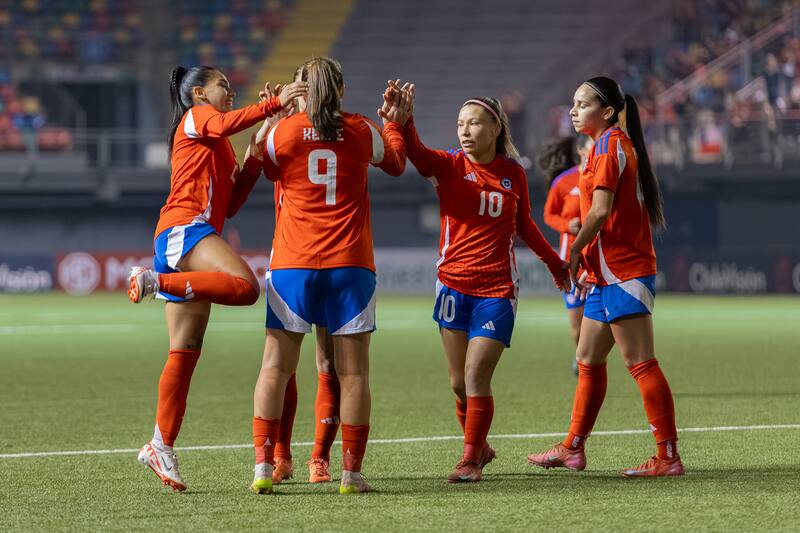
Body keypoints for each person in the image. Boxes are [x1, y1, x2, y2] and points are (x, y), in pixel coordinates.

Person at [129, 65, 307, 491]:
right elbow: (227, 121)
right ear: (197, 94)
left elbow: (232, 204)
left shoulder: (221, 144)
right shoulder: (197, 119)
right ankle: (155, 283)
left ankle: (160, 445)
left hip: (190, 236)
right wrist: (273, 104)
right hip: (184, 230)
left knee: (185, 350)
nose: (229, 91)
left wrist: (258, 149)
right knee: (246, 287)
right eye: (221, 85)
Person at [388, 81, 569, 483]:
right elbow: (415, 154)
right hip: (451, 286)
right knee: (457, 384)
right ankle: (481, 445)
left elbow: (526, 227)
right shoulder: (449, 164)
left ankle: (470, 460)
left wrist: (556, 265)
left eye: (474, 124)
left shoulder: (511, 174)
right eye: (459, 124)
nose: (465, 131)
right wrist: (406, 120)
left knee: (474, 377)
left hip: (497, 291)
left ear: (496, 129)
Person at [250, 57, 408, 495]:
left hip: (292, 265)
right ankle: (350, 474)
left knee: (274, 368)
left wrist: (276, 116)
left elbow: (263, 167)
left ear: (301, 89)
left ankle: (264, 467)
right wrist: (394, 123)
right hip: (350, 265)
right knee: (353, 375)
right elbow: (395, 164)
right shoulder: (360, 129)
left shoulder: (282, 133)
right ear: (341, 88)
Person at [527, 76, 683, 477]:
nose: (573, 111)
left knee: (641, 362)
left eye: (582, 104)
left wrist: (575, 250)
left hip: (624, 271)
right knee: (587, 358)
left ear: (608, 112)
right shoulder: (601, 146)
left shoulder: (612, 145)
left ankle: (668, 457)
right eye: (572, 104)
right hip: (604, 275)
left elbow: (598, 212)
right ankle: (572, 449)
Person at [251, 72, 342, 486]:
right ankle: (281, 455)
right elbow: (259, 162)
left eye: (310, 85)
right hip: (292, 258)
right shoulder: (285, 133)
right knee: (283, 367)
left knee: (328, 361)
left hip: (327, 258)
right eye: (298, 84)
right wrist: (271, 118)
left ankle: (318, 458)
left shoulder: (330, 135)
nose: (304, 92)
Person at [539, 135, 594, 375]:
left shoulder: (604, 177)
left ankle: (589, 362)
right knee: (576, 328)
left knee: (599, 319)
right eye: (593, 145)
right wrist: (566, 225)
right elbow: (548, 215)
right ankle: (581, 355)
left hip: (598, 259)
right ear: (581, 150)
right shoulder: (563, 182)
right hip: (571, 261)